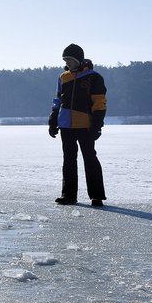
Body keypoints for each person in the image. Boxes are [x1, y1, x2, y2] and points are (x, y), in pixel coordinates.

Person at [49, 43, 108, 207]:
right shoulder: (63, 77)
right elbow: (58, 100)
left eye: (69, 59)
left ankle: (96, 196)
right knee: (68, 160)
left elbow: (99, 102)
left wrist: (97, 124)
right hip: (66, 126)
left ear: (78, 59)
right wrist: (53, 118)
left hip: (85, 126)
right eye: (65, 59)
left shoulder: (94, 77)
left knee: (90, 159)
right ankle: (68, 195)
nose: (67, 62)